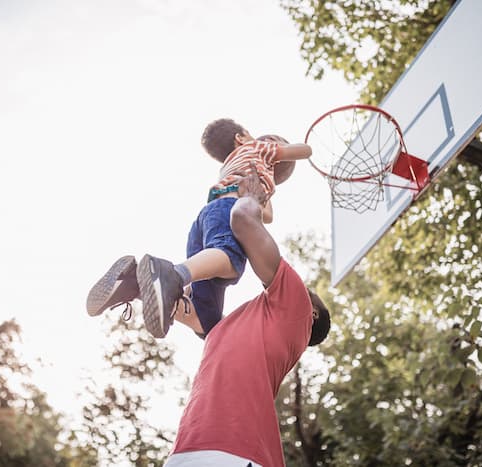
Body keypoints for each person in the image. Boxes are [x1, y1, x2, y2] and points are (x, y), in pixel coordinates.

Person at [163, 168, 331, 467]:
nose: (306, 289)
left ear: (312, 312)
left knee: (231, 259)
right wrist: (144, 286)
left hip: (239, 454)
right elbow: (188, 314)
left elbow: (242, 221)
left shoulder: (298, 310)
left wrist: (253, 197)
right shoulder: (229, 327)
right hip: (188, 452)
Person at [86, 120, 311, 340]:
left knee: (207, 320)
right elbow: (304, 150)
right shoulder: (259, 148)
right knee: (230, 258)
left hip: (207, 217)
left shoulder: (231, 165)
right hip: (228, 210)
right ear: (240, 138)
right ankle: (174, 274)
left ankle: (132, 284)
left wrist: (267, 182)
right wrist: (290, 151)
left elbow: (266, 214)